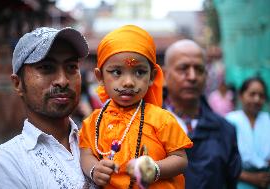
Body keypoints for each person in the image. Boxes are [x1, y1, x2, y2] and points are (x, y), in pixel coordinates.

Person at [79, 25, 193, 189]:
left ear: (152, 76)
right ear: (100, 77)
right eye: (117, 72)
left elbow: (180, 159)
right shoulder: (93, 122)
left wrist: (154, 169)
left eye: (139, 72)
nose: (128, 82)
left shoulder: (162, 119)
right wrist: (94, 169)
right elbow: (86, 153)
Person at [0, 27, 91, 188]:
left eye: (71, 67)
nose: (62, 81)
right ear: (18, 84)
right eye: (46, 68)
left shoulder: (99, 141)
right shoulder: (4, 163)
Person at [163, 39, 242, 189]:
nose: (192, 76)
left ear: (206, 76)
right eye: (183, 68)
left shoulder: (225, 130)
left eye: (199, 69)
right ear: (165, 75)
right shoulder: (145, 124)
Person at [225, 77, 270, 189]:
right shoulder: (230, 121)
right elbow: (223, 160)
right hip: (238, 182)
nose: (256, 99)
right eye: (252, 94)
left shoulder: (267, 120)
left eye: (261, 95)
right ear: (241, 95)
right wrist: (250, 178)